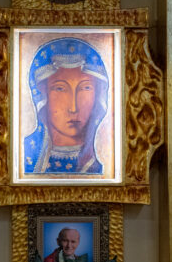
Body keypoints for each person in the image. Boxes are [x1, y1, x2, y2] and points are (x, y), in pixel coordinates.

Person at [23, 37, 109, 174]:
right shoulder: (23, 155)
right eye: (60, 88)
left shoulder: (108, 158)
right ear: (42, 95)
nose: (73, 108)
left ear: (99, 94)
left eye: (85, 88)